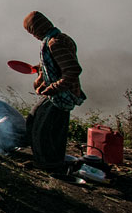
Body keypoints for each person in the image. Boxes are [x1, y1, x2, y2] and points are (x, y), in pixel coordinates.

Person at [23, 11, 86, 171]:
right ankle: (49, 160)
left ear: (36, 29)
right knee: (39, 120)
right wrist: (40, 68)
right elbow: (59, 62)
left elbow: (72, 70)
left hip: (62, 94)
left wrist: (52, 88)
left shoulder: (54, 43)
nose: (33, 36)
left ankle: (49, 164)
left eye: (31, 31)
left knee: (43, 127)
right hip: (59, 92)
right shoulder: (59, 38)